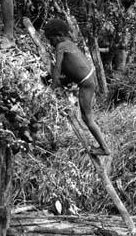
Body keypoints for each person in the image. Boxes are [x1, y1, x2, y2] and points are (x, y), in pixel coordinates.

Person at [44, 18, 110, 156]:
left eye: (51, 40)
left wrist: (54, 85)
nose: (51, 43)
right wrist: (55, 80)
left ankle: (104, 148)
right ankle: (103, 147)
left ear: (59, 36)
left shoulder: (61, 46)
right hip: (85, 78)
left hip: (86, 83)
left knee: (87, 118)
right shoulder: (69, 43)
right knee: (52, 78)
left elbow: (58, 67)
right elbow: (69, 68)